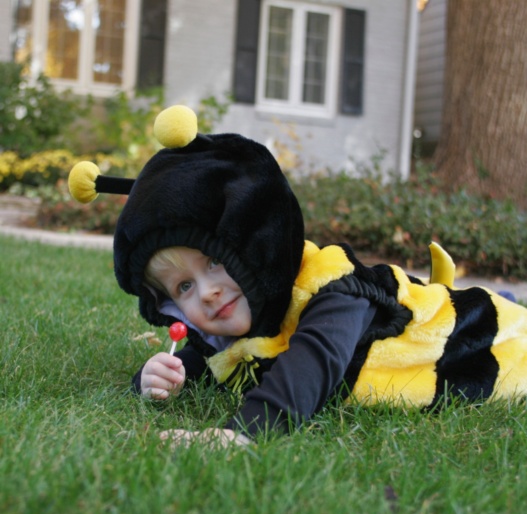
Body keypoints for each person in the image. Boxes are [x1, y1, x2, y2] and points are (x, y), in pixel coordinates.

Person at [68, 105, 527, 447]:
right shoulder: (229, 326)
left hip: (485, 339)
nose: (207, 292)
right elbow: (202, 361)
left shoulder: (330, 290)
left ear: (249, 243)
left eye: (214, 261)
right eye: (183, 287)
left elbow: (314, 361)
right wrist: (151, 378)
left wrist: (243, 434)